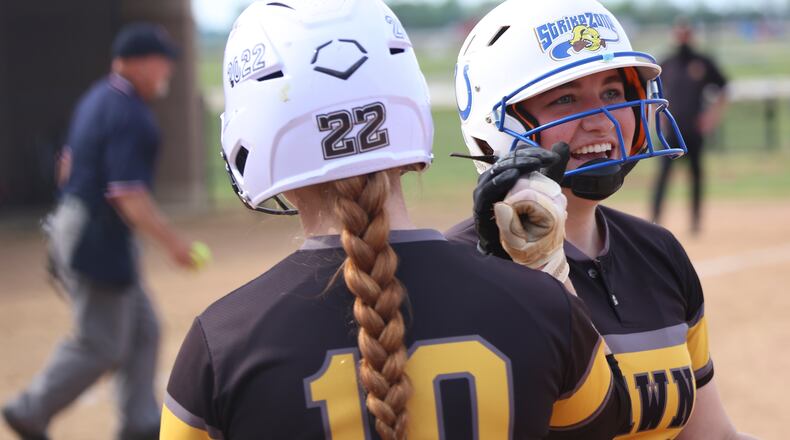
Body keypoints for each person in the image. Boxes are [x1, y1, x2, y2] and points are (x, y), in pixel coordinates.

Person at [161, 1, 631, 439]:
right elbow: (609, 423)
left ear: (254, 136)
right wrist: (548, 275)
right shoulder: (543, 307)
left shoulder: (223, 342)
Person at [446, 0, 755, 438]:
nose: (601, 120)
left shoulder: (658, 251)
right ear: (497, 123)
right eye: (567, 98)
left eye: (612, 93)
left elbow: (711, 433)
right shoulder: (462, 272)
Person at [2, 23, 197, 440]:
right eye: (162, 61)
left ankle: (139, 423)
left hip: (82, 224)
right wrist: (174, 244)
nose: (168, 71)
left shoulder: (98, 97)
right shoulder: (130, 114)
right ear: (137, 62)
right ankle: (30, 410)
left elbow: (65, 167)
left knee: (144, 328)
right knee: (101, 343)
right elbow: (129, 196)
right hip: (96, 233)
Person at [651, 17, 728, 234]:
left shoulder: (702, 62)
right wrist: (659, 118)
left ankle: (695, 221)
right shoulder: (665, 63)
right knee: (663, 177)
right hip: (670, 133)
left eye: (686, 32)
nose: (682, 36)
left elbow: (723, 87)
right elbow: (653, 93)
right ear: (674, 34)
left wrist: (711, 117)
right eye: (679, 32)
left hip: (694, 130)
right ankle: (655, 219)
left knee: (696, 176)